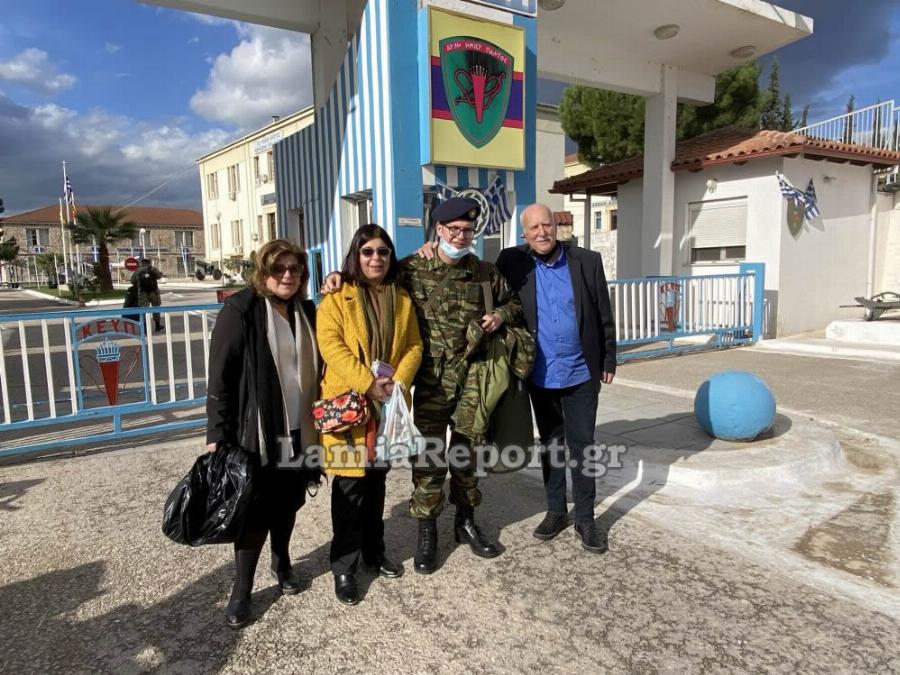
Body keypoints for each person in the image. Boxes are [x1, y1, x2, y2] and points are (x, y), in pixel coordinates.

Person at [322, 198, 523, 574]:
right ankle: (426, 534)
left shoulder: (485, 272)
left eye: (468, 230)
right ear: (439, 230)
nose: (462, 236)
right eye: (455, 229)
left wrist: (499, 313)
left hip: (472, 383)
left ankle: (465, 521)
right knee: (428, 459)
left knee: (467, 455)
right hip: (429, 384)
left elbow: (513, 303)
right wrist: (335, 276)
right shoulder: (410, 270)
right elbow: (368, 276)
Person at [206, 238, 321, 629]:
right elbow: (220, 377)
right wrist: (216, 434)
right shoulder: (240, 309)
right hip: (257, 430)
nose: (288, 275)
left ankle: (283, 561)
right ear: (264, 272)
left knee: (289, 502)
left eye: (296, 269)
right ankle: (242, 589)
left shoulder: (306, 310)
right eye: (279, 269)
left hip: (299, 427)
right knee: (254, 510)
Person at [496, 204, 616, 553]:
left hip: (581, 372)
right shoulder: (512, 261)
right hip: (540, 375)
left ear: (557, 226)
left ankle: (586, 519)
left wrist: (609, 357)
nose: (541, 233)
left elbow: (603, 314)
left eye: (546, 225)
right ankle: (555, 510)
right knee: (550, 443)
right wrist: (430, 246)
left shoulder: (586, 261)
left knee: (582, 445)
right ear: (524, 235)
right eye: (533, 228)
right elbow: (477, 278)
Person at [316, 224, 423, 604]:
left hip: (387, 405)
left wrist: (399, 381)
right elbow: (331, 347)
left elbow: (413, 345)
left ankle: (374, 553)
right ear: (355, 256)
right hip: (349, 406)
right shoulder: (336, 297)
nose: (376, 258)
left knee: (376, 484)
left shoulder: (403, 299)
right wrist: (367, 381)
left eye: (382, 251)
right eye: (367, 252)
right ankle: (344, 565)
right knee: (348, 488)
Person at [130, 258, 164, 331]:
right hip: (153, 292)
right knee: (156, 308)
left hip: (142, 293)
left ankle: (144, 328)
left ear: (141, 263)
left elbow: (132, 281)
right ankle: (157, 325)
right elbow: (160, 275)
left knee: (143, 310)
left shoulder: (138, 270)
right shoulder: (152, 269)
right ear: (149, 263)